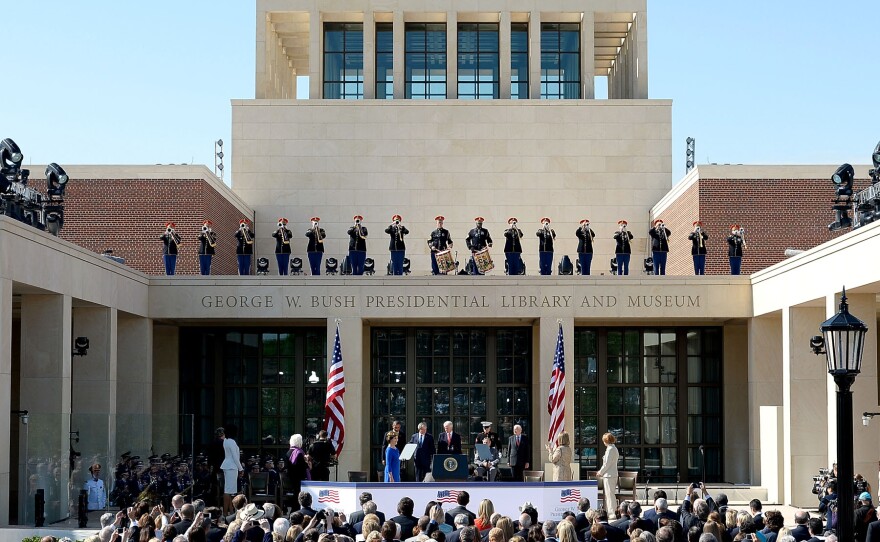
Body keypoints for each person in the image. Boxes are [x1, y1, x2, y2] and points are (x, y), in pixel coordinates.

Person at [219, 427, 243, 515]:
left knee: (230, 490)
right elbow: (235, 457)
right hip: (232, 466)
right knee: (229, 491)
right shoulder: (231, 441)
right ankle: (226, 512)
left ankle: (230, 510)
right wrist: (241, 468)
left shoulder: (226, 441)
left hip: (228, 466)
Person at [597, 432, 619, 518]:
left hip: (609, 475)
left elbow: (607, 464)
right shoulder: (613, 448)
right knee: (610, 494)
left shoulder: (610, 449)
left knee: (610, 495)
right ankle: (612, 511)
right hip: (611, 474)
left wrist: (600, 472)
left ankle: (612, 513)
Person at [285, 434, 310, 510]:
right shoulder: (299, 453)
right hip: (298, 480)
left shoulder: (288, 452)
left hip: (290, 479)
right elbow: (302, 468)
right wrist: (307, 462)